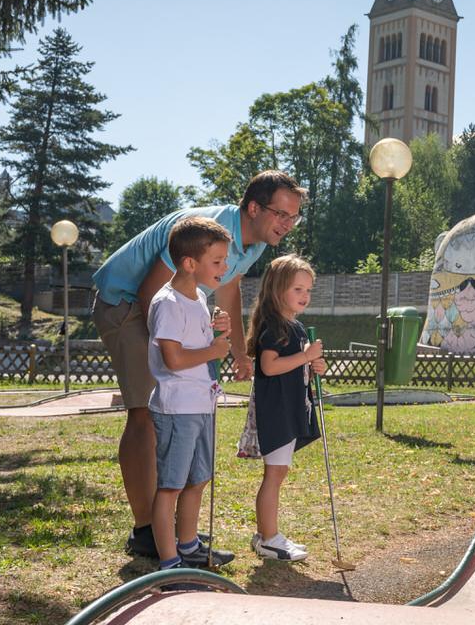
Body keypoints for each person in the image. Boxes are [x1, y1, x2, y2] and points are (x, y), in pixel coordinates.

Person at [92, 170, 306, 558]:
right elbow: (153, 292)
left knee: (172, 416)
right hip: (126, 302)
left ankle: (177, 533)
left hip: (167, 308)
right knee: (147, 412)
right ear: (254, 208)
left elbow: (228, 289)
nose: (288, 225)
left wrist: (239, 351)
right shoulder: (208, 230)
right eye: (281, 214)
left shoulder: (254, 243)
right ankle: (146, 530)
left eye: (294, 217)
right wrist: (175, 356)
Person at [146, 217, 235, 568]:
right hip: (176, 409)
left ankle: (188, 545)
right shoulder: (167, 303)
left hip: (201, 404)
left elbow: (198, 344)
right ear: (189, 263)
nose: (225, 267)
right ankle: (169, 563)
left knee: (198, 479)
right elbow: (173, 360)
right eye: (217, 261)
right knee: (171, 486)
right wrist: (213, 350)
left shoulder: (198, 296)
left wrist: (217, 331)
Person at [243, 254, 326, 561]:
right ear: (278, 290)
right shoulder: (274, 328)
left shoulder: (296, 327)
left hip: (290, 408)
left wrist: (314, 366)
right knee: (275, 473)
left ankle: (267, 534)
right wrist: (305, 357)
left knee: (279, 471)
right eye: (297, 289)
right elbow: (269, 366)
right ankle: (268, 538)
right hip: (276, 410)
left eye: (308, 290)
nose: (305, 296)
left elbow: (296, 367)